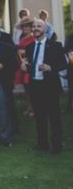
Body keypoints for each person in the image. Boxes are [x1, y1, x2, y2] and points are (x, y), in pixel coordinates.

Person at [23, 19, 66, 154]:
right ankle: (42, 144)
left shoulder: (55, 45)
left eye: (39, 26)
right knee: (39, 116)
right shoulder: (29, 47)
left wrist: (50, 67)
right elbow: (30, 64)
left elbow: (63, 64)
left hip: (50, 86)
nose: (35, 28)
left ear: (45, 29)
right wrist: (25, 66)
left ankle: (56, 145)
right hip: (35, 85)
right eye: (34, 26)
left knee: (54, 117)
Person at [14, 16, 35, 119]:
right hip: (22, 64)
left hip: (30, 65)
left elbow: (34, 52)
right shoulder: (22, 39)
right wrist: (20, 56)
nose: (25, 29)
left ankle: (34, 108)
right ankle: (29, 106)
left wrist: (24, 52)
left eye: (27, 27)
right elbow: (19, 52)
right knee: (26, 89)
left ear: (31, 27)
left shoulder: (33, 38)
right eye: (23, 27)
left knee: (31, 88)